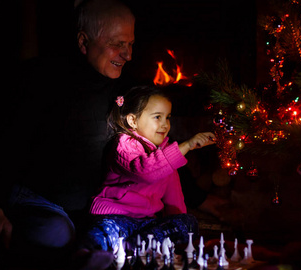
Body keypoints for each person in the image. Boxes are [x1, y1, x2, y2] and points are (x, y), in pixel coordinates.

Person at [0, 0, 136, 269]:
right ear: (83, 42)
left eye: (130, 44)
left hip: (91, 207)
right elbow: (7, 144)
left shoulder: (124, 88)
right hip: (39, 200)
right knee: (55, 234)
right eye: (117, 43)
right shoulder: (42, 80)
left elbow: (153, 144)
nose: (127, 54)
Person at [79, 85, 216, 253]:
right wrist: (187, 145)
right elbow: (146, 171)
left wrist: (179, 226)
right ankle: (89, 254)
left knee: (187, 222)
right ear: (133, 121)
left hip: (145, 225)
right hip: (115, 217)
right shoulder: (124, 145)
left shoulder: (166, 157)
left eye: (168, 117)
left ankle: (134, 247)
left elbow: (174, 201)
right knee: (102, 231)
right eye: (157, 117)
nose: (165, 124)